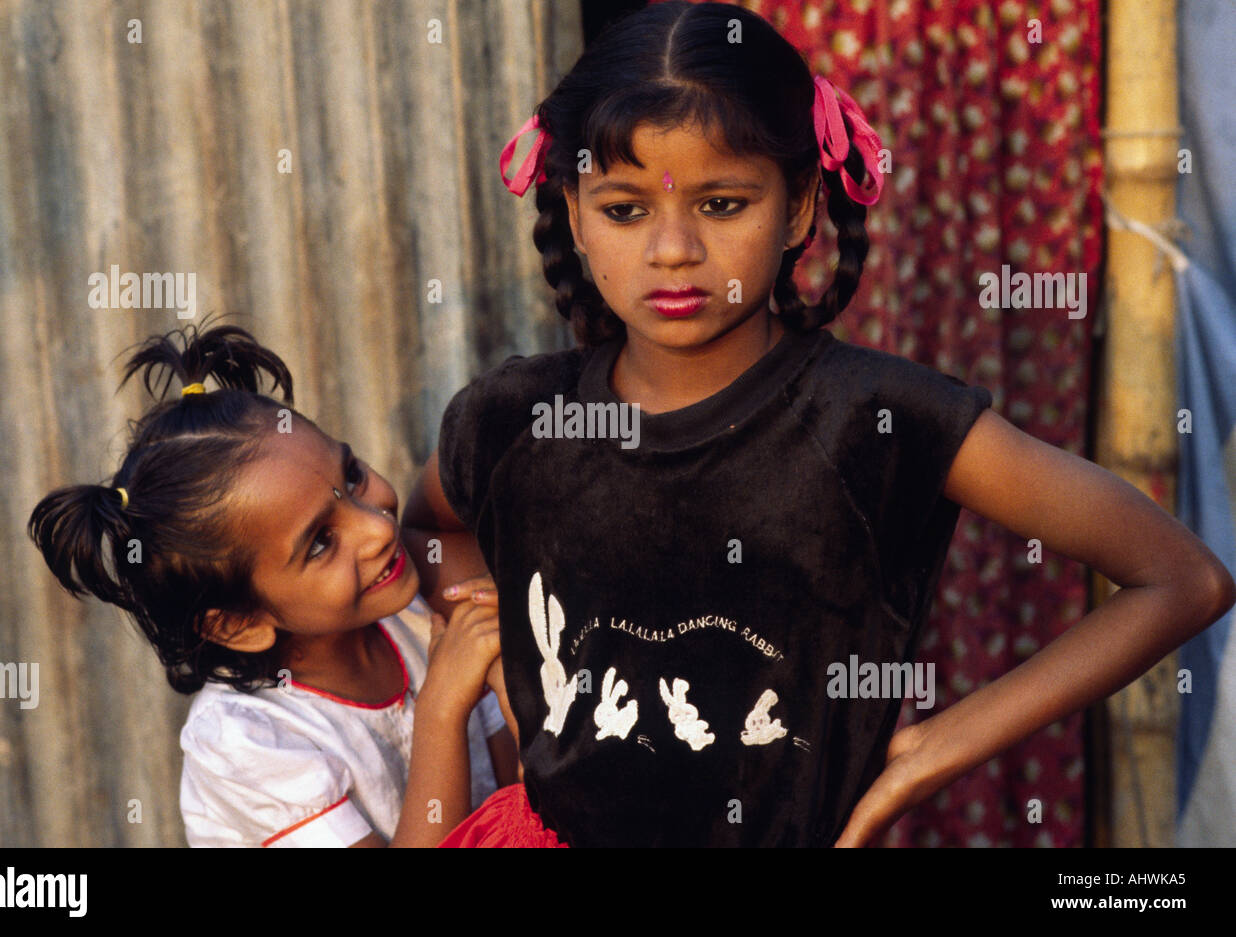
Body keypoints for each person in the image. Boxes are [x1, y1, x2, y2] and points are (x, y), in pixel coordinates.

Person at [403, 1, 1235, 847]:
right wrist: (505, 664)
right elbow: (430, 523)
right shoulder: (511, 419)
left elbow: (1183, 579)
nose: (673, 249)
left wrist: (938, 745)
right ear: (575, 214)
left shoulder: (875, 420)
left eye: (722, 204)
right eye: (625, 210)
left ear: (801, 206)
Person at [28, 321, 518, 847]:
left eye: (351, 476)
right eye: (320, 543)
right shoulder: (243, 746)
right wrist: (443, 706)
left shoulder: (415, 612)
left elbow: (523, 792)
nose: (377, 527)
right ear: (239, 623)